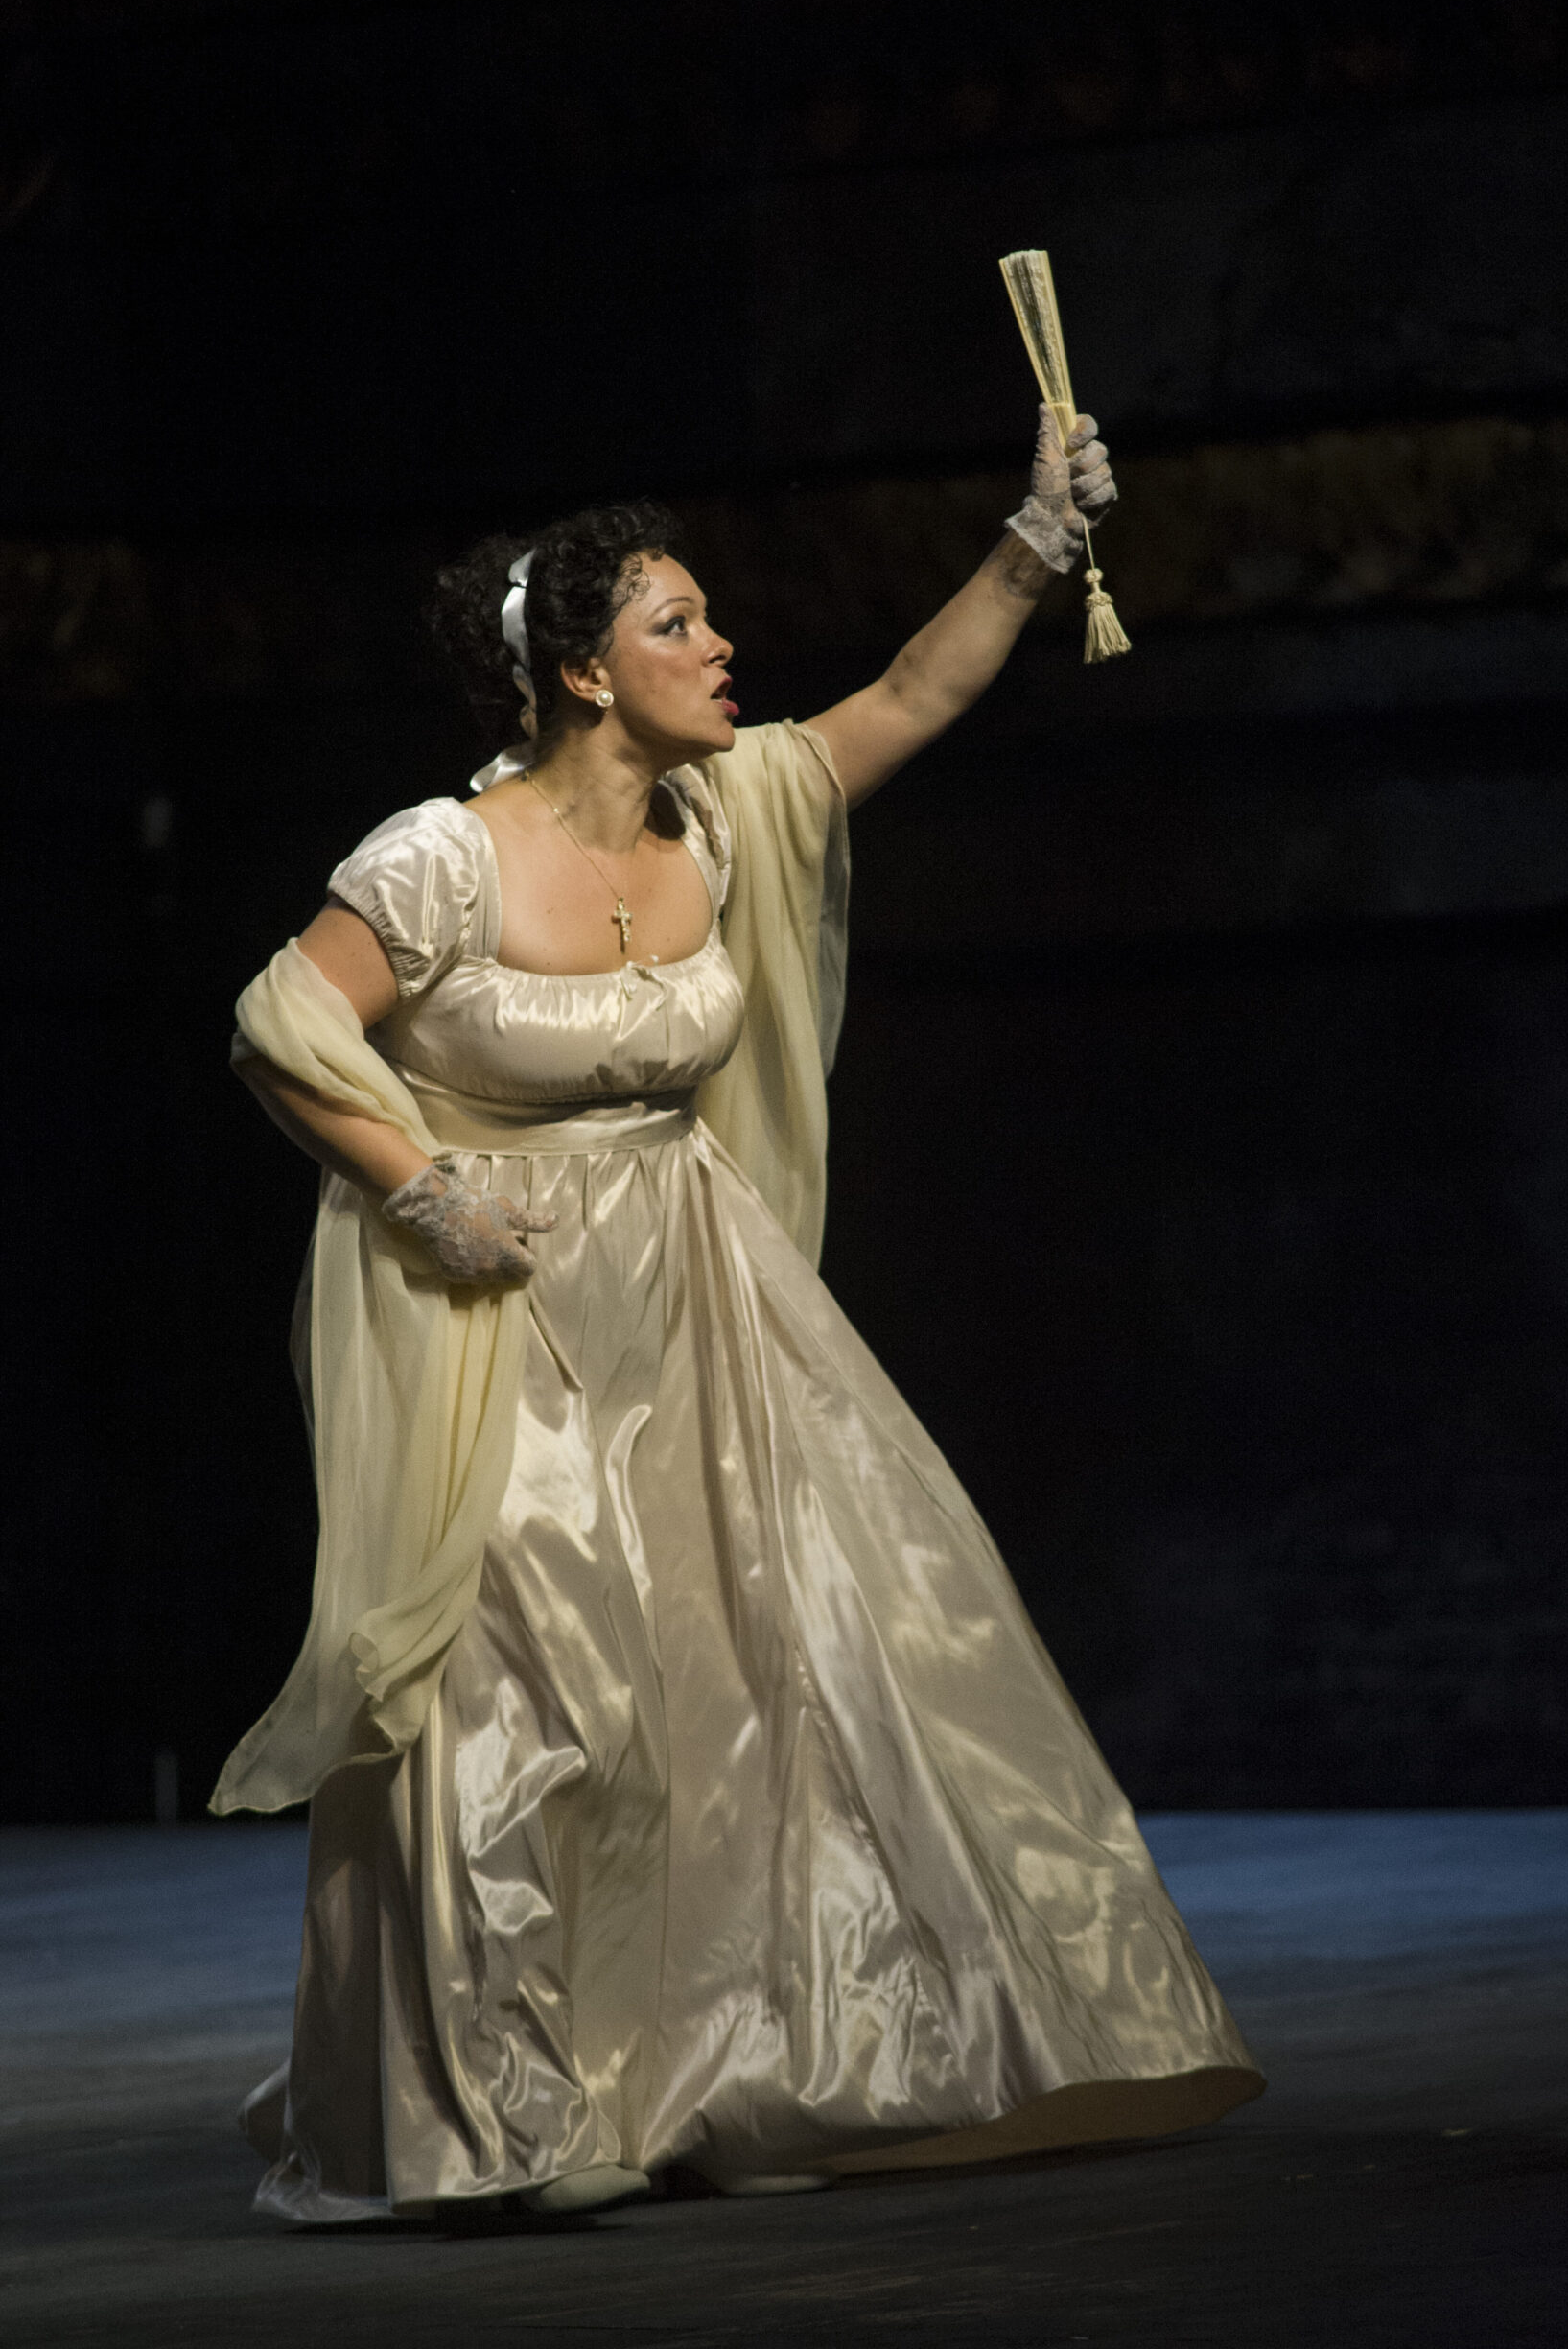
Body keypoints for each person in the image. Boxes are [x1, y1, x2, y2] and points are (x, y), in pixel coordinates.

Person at [217, 405, 1262, 2222]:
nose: (722, 648)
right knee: (526, 1689)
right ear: (582, 672)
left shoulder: (726, 809)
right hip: (502, 1311)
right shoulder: (441, 859)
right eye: (677, 624)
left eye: (708, 620)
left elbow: (914, 695)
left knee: (753, 1671)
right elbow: (278, 1025)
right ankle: (496, 2113)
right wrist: (419, 1184)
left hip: (697, 1294)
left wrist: (1033, 538)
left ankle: (712, 2065)